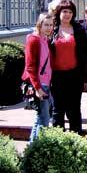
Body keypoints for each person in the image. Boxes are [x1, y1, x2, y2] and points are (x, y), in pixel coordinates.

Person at [50, 0, 87, 134]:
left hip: (74, 76)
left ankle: (76, 140)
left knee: (74, 110)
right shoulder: (52, 29)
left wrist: (84, 78)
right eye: (64, 11)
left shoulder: (79, 30)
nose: (67, 14)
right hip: (56, 76)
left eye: (70, 12)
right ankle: (58, 142)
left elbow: (85, 55)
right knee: (57, 111)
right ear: (59, 12)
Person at [22, 13, 54, 142]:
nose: (49, 28)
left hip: (46, 83)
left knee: (40, 118)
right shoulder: (34, 39)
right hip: (39, 84)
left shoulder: (45, 39)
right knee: (44, 120)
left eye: (51, 25)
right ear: (39, 25)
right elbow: (30, 66)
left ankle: (31, 149)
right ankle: (37, 149)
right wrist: (37, 87)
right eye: (46, 25)